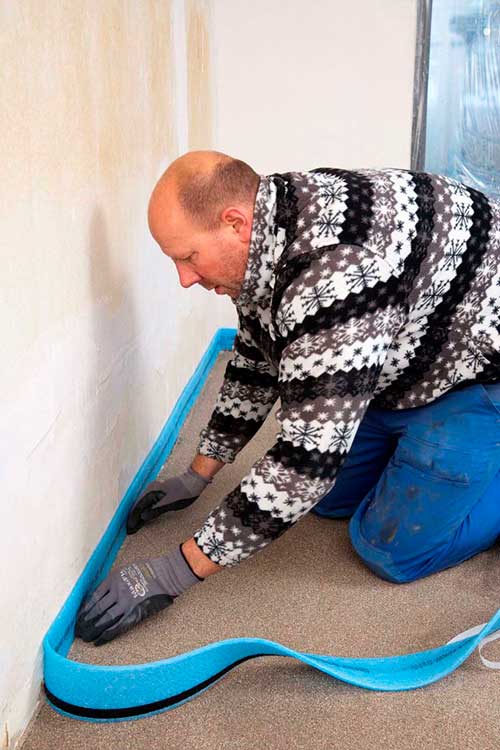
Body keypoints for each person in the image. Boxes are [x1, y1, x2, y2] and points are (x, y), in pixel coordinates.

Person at [75, 150, 500, 646]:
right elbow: (257, 360)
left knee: (387, 549)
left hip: (476, 372)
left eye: (187, 256)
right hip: (409, 352)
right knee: (333, 503)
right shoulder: (263, 234)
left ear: (234, 223)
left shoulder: (334, 276)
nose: (185, 278)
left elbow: (305, 465)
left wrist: (176, 571)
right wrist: (199, 472)